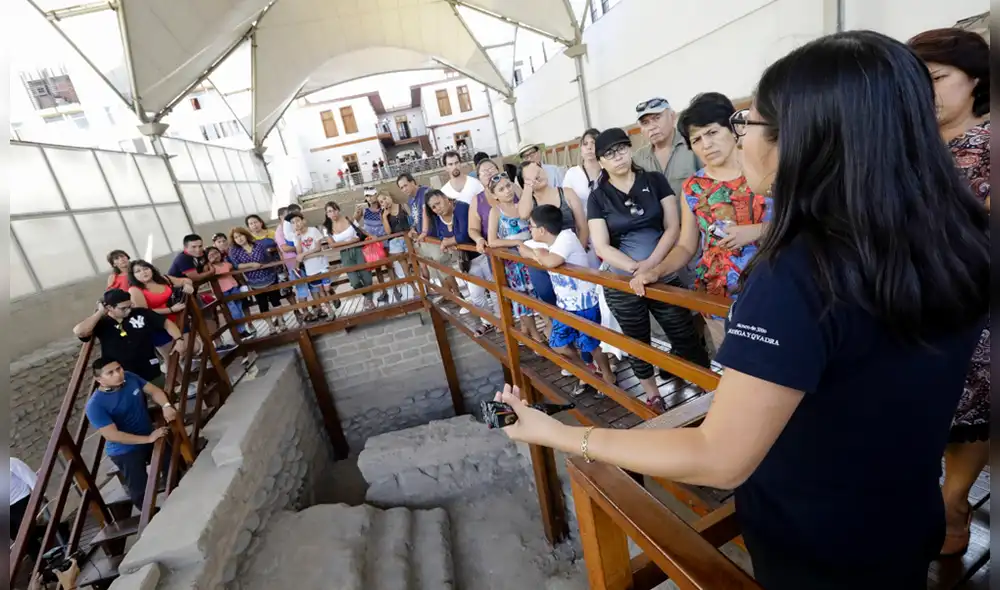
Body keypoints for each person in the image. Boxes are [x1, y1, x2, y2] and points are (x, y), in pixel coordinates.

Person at [494, 30, 990, 590]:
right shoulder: (959, 233)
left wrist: (558, 435)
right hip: (905, 516)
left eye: (744, 122)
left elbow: (719, 454)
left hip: (818, 548)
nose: (736, 137)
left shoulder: (802, 271)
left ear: (796, 138)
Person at [909, 27, 991, 558]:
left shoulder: (988, 144)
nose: (927, 91)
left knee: (971, 412)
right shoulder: (912, 148)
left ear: (976, 79)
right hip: (910, 302)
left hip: (974, 304)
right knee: (926, 409)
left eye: (937, 77)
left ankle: (955, 504)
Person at [636, 92, 771, 353]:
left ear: (733, 129)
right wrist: (657, 270)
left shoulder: (767, 169)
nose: (705, 144)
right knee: (733, 364)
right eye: (696, 139)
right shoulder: (694, 187)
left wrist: (758, 230)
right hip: (718, 294)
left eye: (712, 132)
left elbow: (806, 223)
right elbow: (687, 246)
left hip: (772, 289)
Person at [588, 127, 710, 411]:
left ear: (631, 149)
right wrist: (634, 267)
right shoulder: (598, 196)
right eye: (609, 154)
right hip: (621, 281)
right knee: (636, 341)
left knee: (684, 333)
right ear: (600, 161)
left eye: (621, 149)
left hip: (663, 273)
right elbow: (602, 246)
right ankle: (653, 395)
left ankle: (708, 385)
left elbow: (673, 226)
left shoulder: (654, 181)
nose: (617, 157)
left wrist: (651, 265)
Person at [521, 205, 616, 396]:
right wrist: (537, 254)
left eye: (531, 226)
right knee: (558, 344)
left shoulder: (567, 237)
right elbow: (522, 248)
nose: (529, 230)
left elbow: (550, 262)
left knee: (592, 344)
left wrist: (540, 256)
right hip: (565, 306)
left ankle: (608, 377)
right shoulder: (546, 243)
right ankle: (588, 371)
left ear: (542, 230)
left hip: (584, 303)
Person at [85, 357, 177, 510]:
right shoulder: (95, 405)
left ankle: (177, 498)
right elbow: (112, 435)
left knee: (172, 462)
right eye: (110, 373)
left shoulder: (130, 377)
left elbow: (154, 390)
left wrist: (166, 406)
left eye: (118, 369)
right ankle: (151, 515)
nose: (118, 374)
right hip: (124, 450)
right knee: (140, 489)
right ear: (99, 379)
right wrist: (148, 438)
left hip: (149, 436)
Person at [73, 289, 185, 388]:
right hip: (122, 375)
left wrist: (179, 339)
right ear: (109, 308)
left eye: (129, 306)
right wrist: (100, 313)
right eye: (123, 308)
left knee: (164, 397)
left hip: (150, 368)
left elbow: (166, 323)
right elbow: (80, 331)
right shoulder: (101, 322)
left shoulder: (141, 313)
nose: (128, 310)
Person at [516, 160, 589, 312]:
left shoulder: (566, 193)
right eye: (530, 176)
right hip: (543, 258)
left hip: (570, 254)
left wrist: (576, 255)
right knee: (549, 299)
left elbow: (582, 226)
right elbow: (523, 214)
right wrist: (529, 186)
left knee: (577, 300)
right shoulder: (530, 202)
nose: (537, 176)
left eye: (538, 170)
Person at [486, 173, 545, 344]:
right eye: (501, 189)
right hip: (514, 263)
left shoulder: (522, 206)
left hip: (532, 257)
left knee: (540, 295)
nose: (507, 191)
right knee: (522, 302)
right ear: (495, 194)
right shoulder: (496, 212)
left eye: (508, 186)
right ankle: (535, 337)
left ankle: (550, 331)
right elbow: (492, 241)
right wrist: (517, 242)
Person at [127, 260, 195, 359]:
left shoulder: (164, 279)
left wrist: (187, 285)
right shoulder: (134, 289)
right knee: (172, 358)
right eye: (138, 271)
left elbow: (185, 280)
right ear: (133, 275)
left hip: (178, 319)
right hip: (158, 325)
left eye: (146, 268)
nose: (143, 272)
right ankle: (174, 372)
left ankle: (191, 368)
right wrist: (170, 310)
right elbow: (144, 312)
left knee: (192, 348)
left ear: (151, 269)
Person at [631, 97, 701, 191]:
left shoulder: (693, 145)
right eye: (645, 123)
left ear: (672, 116)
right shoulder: (638, 159)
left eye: (657, 118)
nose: (652, 127)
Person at [227, 227, 287, 333]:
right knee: (262, 304)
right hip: (254, 281)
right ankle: (270, 326)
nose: (239, 238)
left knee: (275, 300)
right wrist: (251, 265)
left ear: (245, 235)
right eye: (236, 237)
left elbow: (268, 258)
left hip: (269, 276)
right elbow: (236, 265)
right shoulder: (234, 251)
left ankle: (281, 322)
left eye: (240, 235)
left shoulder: (258, 244)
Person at [323, 202, 376, 311]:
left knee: (366, 276)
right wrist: (349, 242)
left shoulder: (348, 219)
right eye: (329, 211)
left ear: (338, 210)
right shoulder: (326, 227)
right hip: (345, 253)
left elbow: (361, 230)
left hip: (358, 250)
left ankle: (369, 301)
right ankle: (367, 297)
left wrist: (371, 236)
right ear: (326, 214)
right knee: (354, 281)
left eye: (334, 210)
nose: (333, 213)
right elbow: (332, 244)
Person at [424, 190, 473, 300]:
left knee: (490, 287)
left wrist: (447, 242)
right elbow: (440, 235)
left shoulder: (461, 208)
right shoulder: (437, 218)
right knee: (476, 290)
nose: (438, 208)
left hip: (480, 252)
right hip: (465, 258)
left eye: (438, 203)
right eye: (434, 207)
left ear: (446, 198)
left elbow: (464, 235)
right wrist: (449, 241)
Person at [288, 211, 335, 321]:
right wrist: (299, 239)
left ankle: (332, 295)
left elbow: (318, 248)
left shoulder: (313, 231)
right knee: (321, 291)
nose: (296, 224)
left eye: (298, 221)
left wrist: (304, 254)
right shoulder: (296, 237)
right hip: (310, 269)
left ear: (303, 220)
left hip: (322, 264)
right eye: (293, 222)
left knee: (326, 289)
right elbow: (299, 252)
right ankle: (331, 312)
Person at [206, 246, 254, 338]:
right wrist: (209, 263)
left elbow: (234, 272)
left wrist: (241, 284)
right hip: (223, 290)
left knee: (239, 308)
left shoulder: (226, 264)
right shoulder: (210, 268)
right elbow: (208, 274)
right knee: (233, 311)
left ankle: (242, 330)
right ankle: (238, 331)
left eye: (216, 253)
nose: (215, 256)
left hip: (233, 287)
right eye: (211, 255)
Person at [354, 187, 391, 304]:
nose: (370, 198)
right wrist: (356, 214)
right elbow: (354, 223)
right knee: (378, 269)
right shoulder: (364, 211)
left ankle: (395, 288)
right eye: (367, 196)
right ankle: (384, 292)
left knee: (389, 266)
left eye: (372, 195)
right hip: (372, 245)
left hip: (384, 241)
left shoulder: (383, 209)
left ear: (376, 195)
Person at [378, 191, 410, 301]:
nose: (384, 202)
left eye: (385, 198)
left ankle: (427, 287)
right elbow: (388, 232)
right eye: (381, 201)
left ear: (390, 196)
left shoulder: (403, 206)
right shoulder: (383, 214)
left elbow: (411, 221)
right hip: (395, 241)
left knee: (418, 264)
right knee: (405, 269)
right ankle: (415, 290)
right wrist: (385, 217)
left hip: (408, 238)